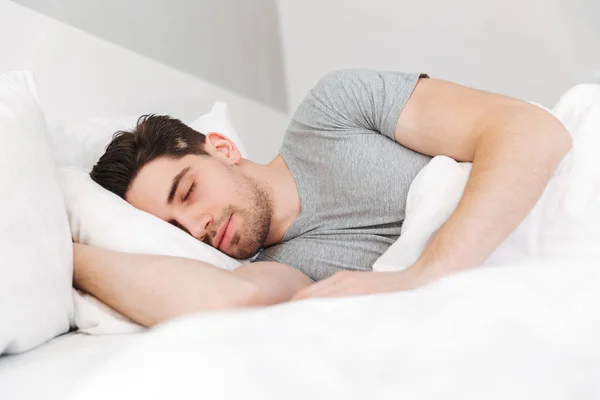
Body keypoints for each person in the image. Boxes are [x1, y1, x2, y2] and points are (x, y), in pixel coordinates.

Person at [74, 69, 571, 327]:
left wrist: (427, 274)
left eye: (188, 191)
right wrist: (63, 254)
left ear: (222, 149)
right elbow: (224, 301)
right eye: (177, 230)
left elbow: (529, 130)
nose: (198, 225)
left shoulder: (332, 110)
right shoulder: (279, 270)